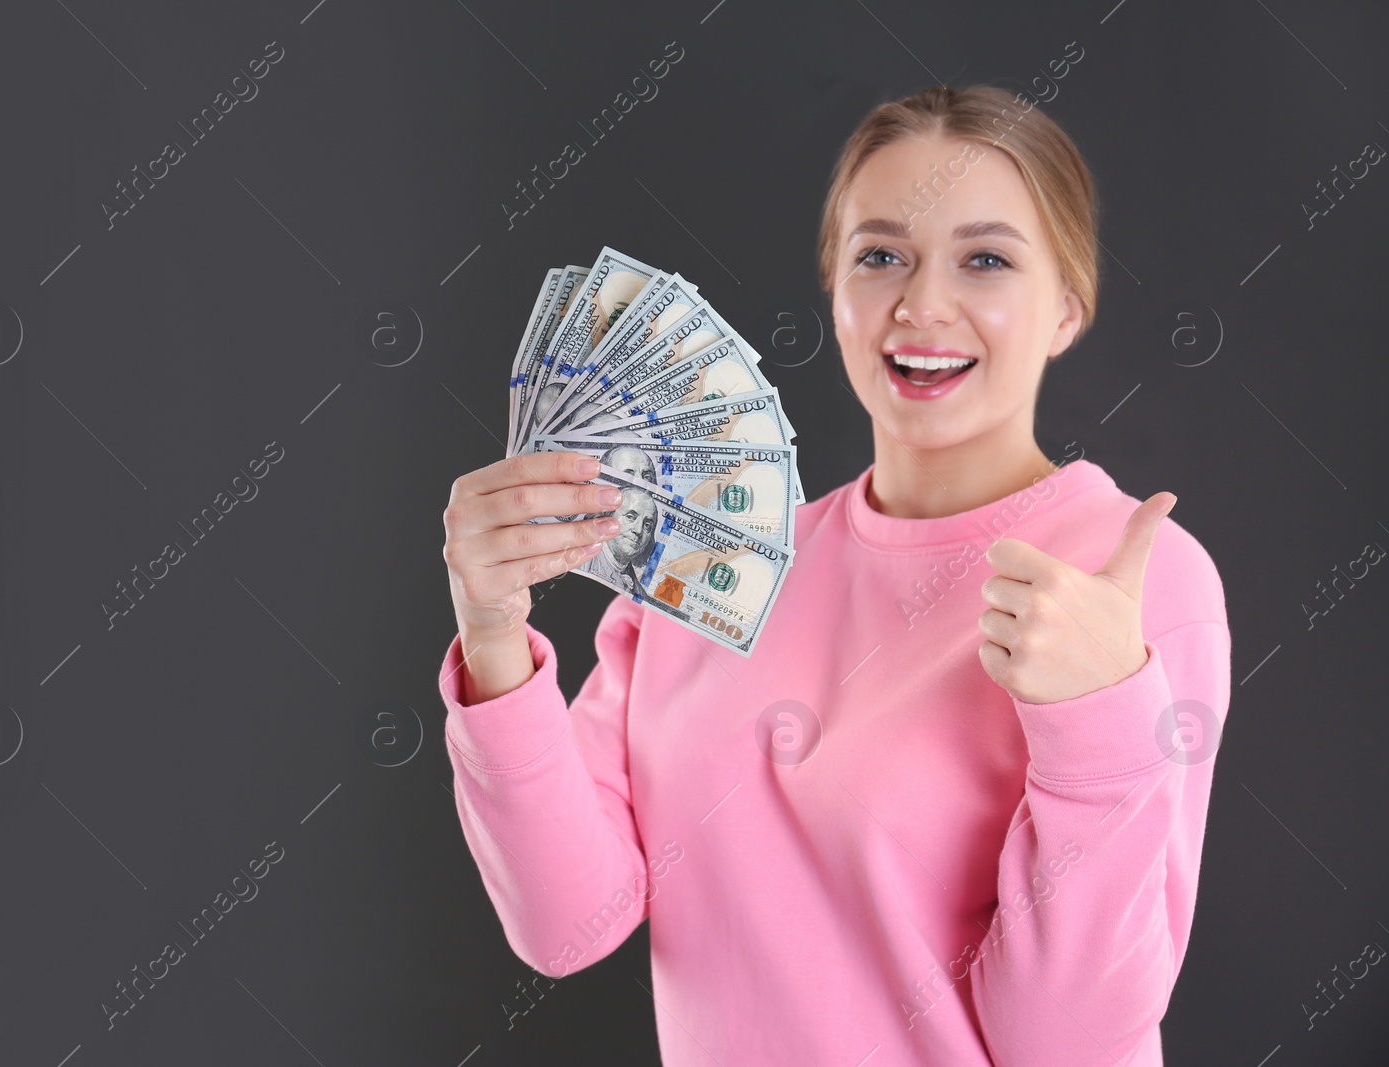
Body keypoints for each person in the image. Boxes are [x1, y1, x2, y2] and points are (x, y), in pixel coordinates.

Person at [438, 84, 1230, 1066]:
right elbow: (567, 921)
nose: (922, 303)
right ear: (835, 286)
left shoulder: (1131, 581)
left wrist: (1101, 723)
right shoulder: (713, 562)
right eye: (880, 255)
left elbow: (1057, 1041)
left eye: (984, 258)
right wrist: (492, 635)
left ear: (1067, 305)